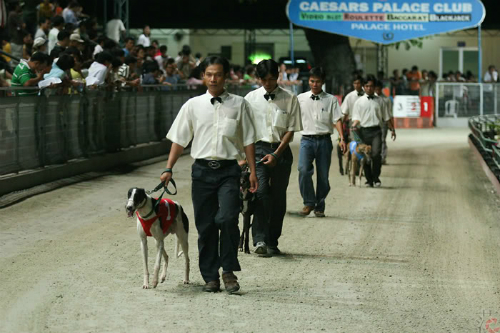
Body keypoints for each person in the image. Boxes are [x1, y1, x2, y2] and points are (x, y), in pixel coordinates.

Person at [161, 56, 258, 293]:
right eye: (209, 74)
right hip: (202, 172)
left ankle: (228, 271)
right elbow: (179, 139)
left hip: (229, 171)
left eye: (218, 74)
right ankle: (210, 276)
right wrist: (168, 167)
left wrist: (253, 171)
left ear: (226, 77)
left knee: (226, 219)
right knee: (205, 225)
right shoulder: (192, 105)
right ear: (203, 76)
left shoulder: (240, 104)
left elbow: (248, 140)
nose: (213, 79)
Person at [244, 59, 302, 256]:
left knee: (278, 197)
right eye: (264, 79)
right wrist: (244, 157)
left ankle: (272, 240)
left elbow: (291, 130)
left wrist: (277, 153)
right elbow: (245, 130)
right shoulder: (250, 99)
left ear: (278, 76)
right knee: (260, 193)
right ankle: (259, 238)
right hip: (258, 150)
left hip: (281, 150)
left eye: (271, 79)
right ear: (258, 78)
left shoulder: (290, 98)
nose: (268, 83)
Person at [297, 67, 345, 217]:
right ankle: (309, 202)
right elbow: (293, 119)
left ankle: (320, 205)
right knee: (303, 170)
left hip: (324, 141)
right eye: (312, 81)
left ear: (323, 82)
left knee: (323, 176)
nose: (315, 84)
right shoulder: (300, 99)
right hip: (306, 140)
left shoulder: (331, 100)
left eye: (318, 81)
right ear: (308, 81)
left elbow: (337, 119)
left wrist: (341, 138)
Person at [351, 76, 396, 188]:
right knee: (366, 156)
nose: (369, 88)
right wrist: (354, 126)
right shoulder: (359, 102)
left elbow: (386, 117)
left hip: (376, 131)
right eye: (367, 86)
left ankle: (376, 178)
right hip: (363, 131)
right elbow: (356, 118)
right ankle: (369, 180)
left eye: (371, 86)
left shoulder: (381, 101)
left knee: (376, 155)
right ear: (363, 87)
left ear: (374, 87)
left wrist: (392, 129)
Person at [374, 80, 394, 165]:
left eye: (379, 89)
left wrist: (392, 127)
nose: (378, 91)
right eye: (376, 89)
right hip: (372, 123)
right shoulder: (370, 98)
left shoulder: (386, 99)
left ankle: (382, 157)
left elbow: (389, 114)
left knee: (382, 140)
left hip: (383, 123)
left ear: (381, 89)